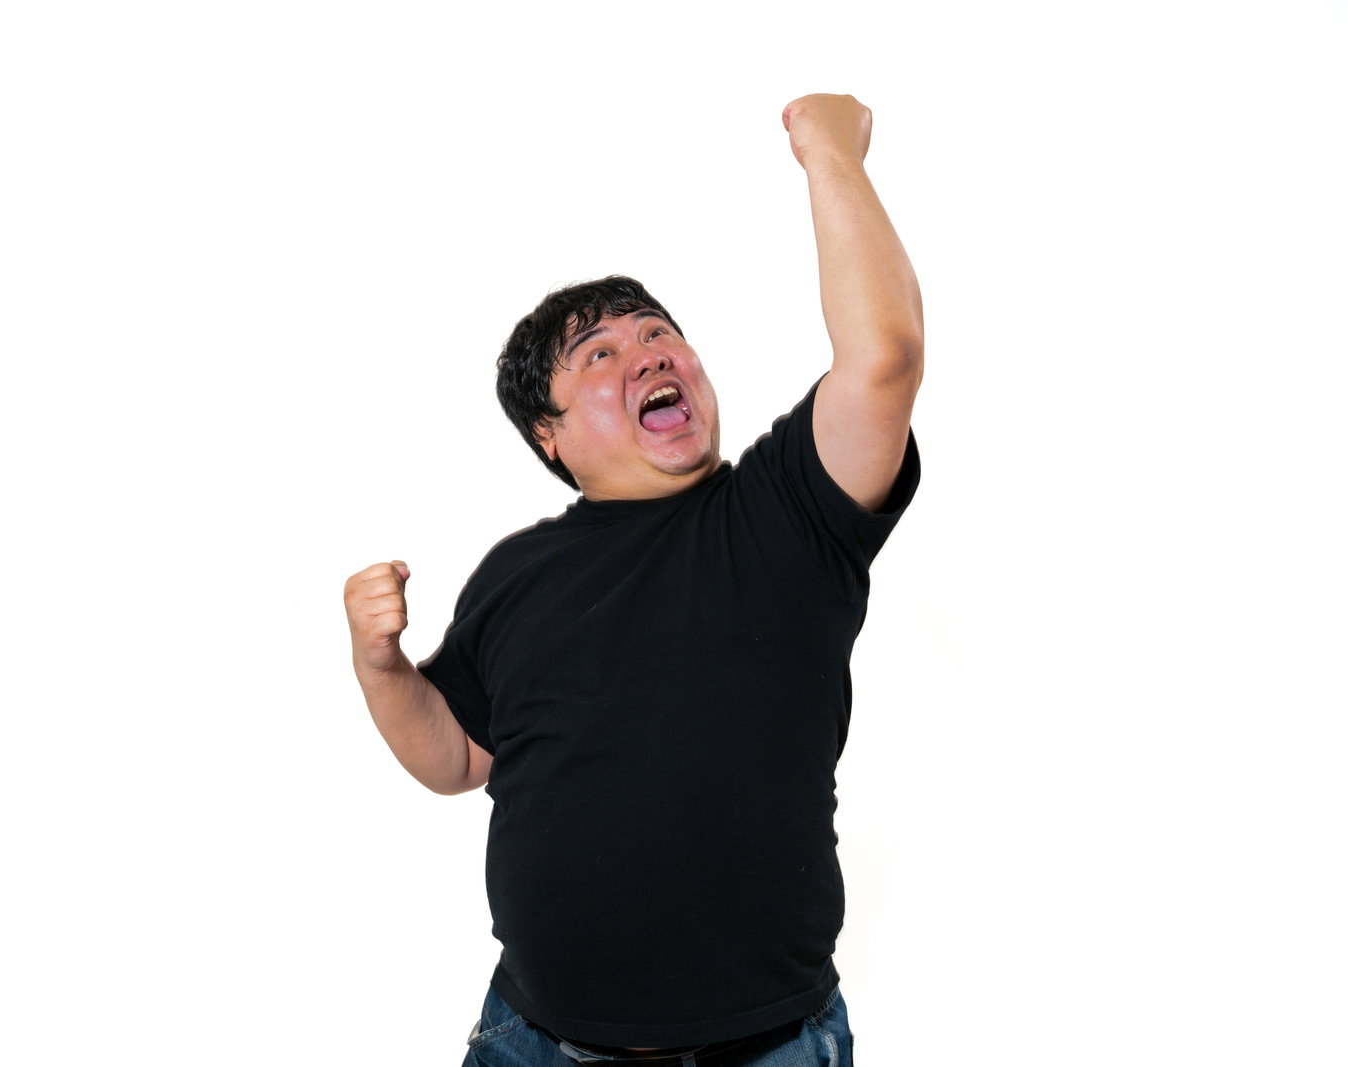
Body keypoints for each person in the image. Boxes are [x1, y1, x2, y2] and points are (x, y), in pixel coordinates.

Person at [343, 94, 924, 1066]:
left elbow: (882, 359)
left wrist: (830, 154)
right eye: (599, 353)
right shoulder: (516, 573)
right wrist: (379, 665)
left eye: (657, 332)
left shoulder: (784, 513)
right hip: (534, 1034)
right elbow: (454, 757)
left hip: (758, 1043)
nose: (646, 352)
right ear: (551, 434)